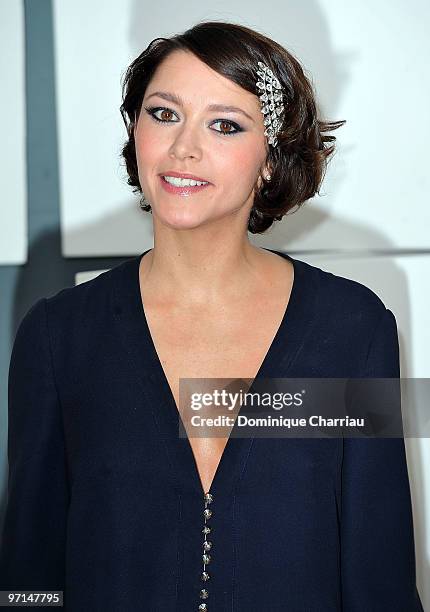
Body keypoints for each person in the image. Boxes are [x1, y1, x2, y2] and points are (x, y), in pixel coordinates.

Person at [0, 20, 424, 611]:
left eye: (225, 124)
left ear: (271, 160)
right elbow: (29, 573)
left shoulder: (352, 329)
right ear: (135, 131)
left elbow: (379, 572)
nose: (184, 148)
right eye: (164, 114)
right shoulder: (58, 335)